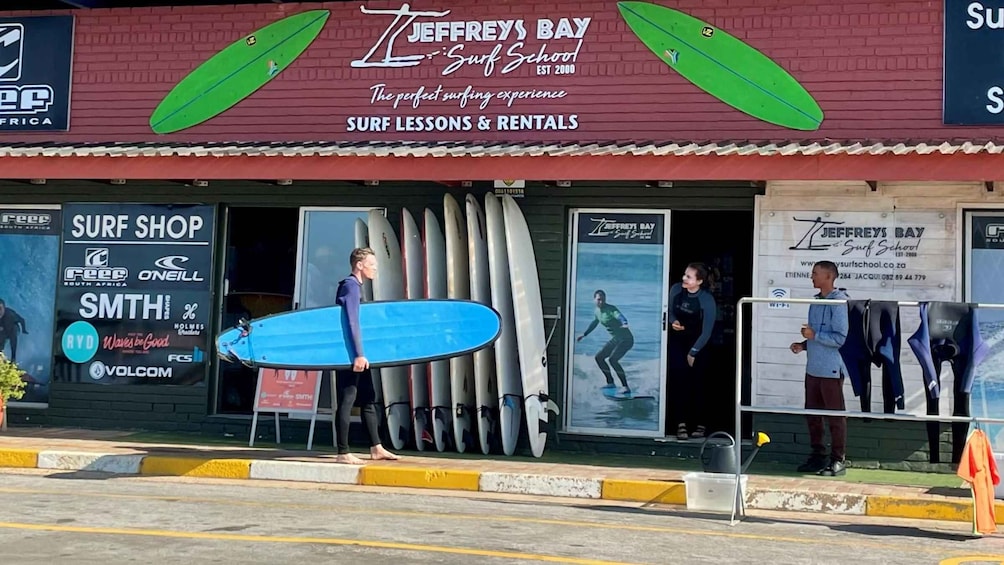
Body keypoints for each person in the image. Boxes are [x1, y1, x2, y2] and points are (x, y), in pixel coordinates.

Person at [332, 247, 399, 465]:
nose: (376, 269)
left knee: (369, 399)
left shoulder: (357, 287)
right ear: (359, 265)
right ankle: (343, 452)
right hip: (350, 355)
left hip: (360, 355)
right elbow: (352, 321)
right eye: (373, 265)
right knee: (347, 400)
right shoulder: (350, 286)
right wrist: (358, 355)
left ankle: (376, 447)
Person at [789, 260, 849, 476]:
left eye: (815, 273)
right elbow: (814, 335)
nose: (811, 277)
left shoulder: (840, 302)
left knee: (835, 415)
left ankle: (838, 459)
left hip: (832, 368)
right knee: (812, 414)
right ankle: (817, 455)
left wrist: (815, 336)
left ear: (828, 276)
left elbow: (842, 338)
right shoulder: (815, 301)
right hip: (813, 367)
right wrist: (803, 344)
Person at [668, 263, 717, 440]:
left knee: (699, 384)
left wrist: (693, 352)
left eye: (689, 277)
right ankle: (680, 424)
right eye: (684, 275)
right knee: (679, 381)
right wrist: (673, 321)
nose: (684, 279)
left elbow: (707, 331)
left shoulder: (706, 299)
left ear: (699, 281)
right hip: (679, 342)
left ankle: (700, 424)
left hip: (699, 344)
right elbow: (669, 311)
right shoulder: (676, 290)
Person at [577, 290, 634, 395]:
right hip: (616, 339)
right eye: (599, 299)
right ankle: (610, 382)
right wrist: (584, 334)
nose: (601, 302)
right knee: (599, 357)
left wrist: (624, 323)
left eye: (603, 299)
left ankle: (625, 386)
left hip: (626, 339)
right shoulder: (597, 311)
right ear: (594, 300)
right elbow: (595, 322)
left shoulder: (611, 309)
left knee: (613, 360)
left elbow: (620, 316)